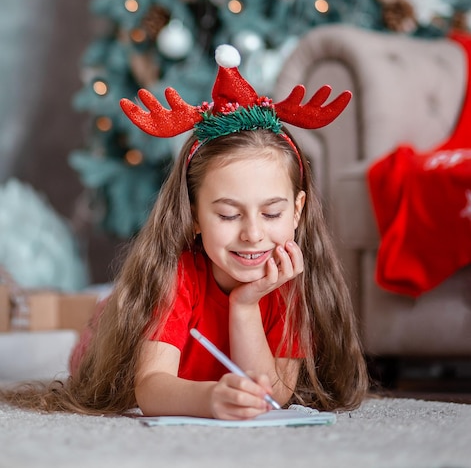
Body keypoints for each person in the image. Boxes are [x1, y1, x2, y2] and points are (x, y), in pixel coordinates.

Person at [1, 45, 369, 418]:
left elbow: (272, 394)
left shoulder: (290, 282)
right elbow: (151, 387)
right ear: (193, 216)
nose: (253, 233)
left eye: (271, 213)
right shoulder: (176, 277)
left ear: (296, 211)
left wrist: (244, 305)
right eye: (228, 215)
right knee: (72, 336)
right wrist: (209, 400)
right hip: (102, 342)